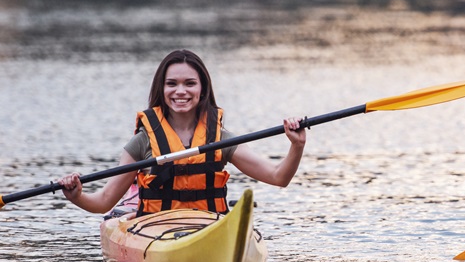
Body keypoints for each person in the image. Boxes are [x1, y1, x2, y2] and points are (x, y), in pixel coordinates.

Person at [58, 49, 307, 216]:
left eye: (189, 83)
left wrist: (296, 146)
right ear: (162, 88)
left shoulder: (221, 139)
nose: (180, 91)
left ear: (202, 89)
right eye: (172, 84)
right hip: (156, 231)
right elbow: (103, 202)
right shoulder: (142, 143)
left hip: (208, 226)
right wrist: (77, 195)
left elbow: (278, 177)